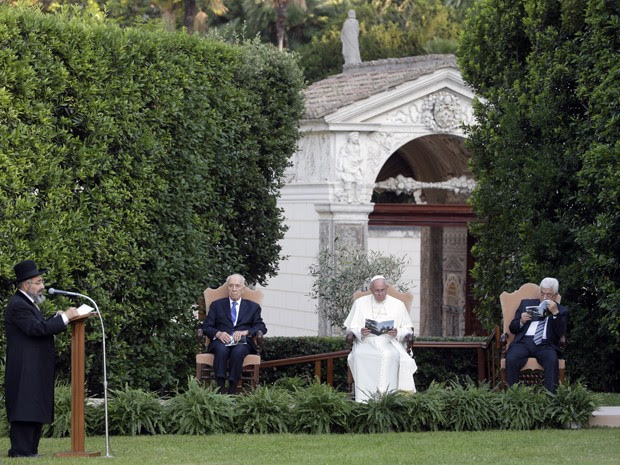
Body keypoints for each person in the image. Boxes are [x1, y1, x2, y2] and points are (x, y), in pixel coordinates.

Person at [4, 260, 79, 458]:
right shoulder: (18, 305)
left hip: (33, 368)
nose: (42, 286)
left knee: (33, 405)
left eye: (42, 281)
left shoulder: (27, 304)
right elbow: (36, 329)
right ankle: (21, 451)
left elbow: (38, 325)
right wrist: (65, 318)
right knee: (25, 407)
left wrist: (55, 318)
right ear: (26, 285)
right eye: (38, 282)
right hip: (24, 370)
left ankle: (30, 450)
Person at [344, 275, 417, 402]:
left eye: (383, 290)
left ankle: (388, 398)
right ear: (371, 290)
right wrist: (360, 331)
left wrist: (397, 332)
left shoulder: (398, 305)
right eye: (377, 291)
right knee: (359, 355)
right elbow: (350, 328)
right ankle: (364, 400)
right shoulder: (360, 303)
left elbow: (408, 329)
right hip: (366, 341)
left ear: (386, 288)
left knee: (392, 355)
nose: (380, 294)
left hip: (389, 341)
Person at [202, 274, 267, 394]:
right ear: (227, 288)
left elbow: (261, 327)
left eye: (237, 286)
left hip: (242, 342)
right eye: (231, 286)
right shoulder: (216, 305)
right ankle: (220, 389)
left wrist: (246, 332)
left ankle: (232, 390)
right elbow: (206, 326)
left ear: (243, 289)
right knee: (221, 350)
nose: (234, 289)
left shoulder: (253, 307)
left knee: (238, 351)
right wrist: (218, 333)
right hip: (221, 341)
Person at [505, 277, 569, 393]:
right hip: (523, 342)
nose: (544, 297)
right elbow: (512, 328)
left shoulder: (561, 311)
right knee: (511, 358)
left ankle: (551, 399)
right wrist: (521, 321)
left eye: (548, 295)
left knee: (552, 360)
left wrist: (555, 314)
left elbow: (560, 333)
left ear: (555, 295)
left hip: (545, 344)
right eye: (542, 293)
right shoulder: (526, 304)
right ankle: (512, 397)